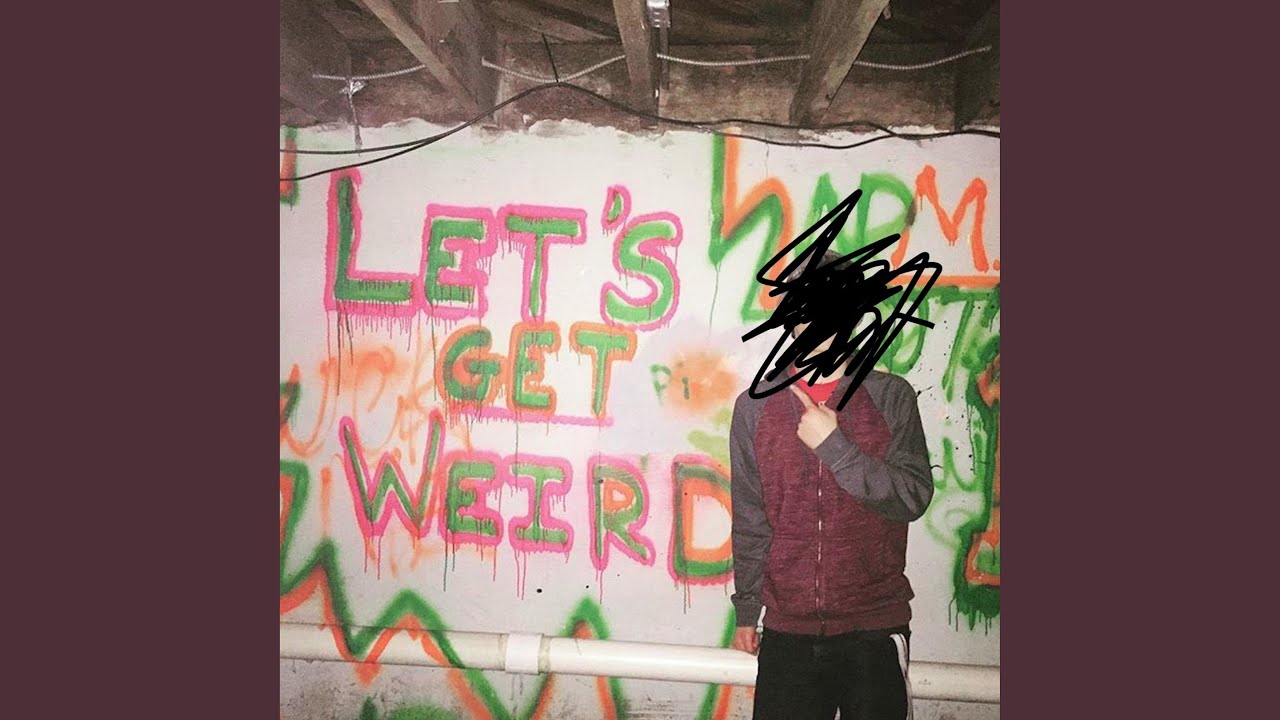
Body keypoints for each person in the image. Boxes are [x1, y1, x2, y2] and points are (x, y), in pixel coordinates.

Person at [729, 250, 935, 720]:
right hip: (788, 628)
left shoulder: (891, 396)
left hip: (874, 626)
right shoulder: (755, 406)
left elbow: (912, 495)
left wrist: (837, 449)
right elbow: (751, 517)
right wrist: (747, 610)